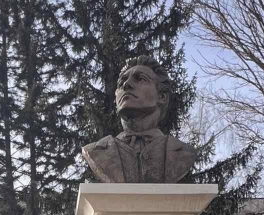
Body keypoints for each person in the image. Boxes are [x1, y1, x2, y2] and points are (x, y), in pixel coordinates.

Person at [82, 55, 196, 183]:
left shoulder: (183, 152)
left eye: (141, 79)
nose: (126, 84)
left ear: (162, 96)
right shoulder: (96, 151)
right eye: (121, 82)